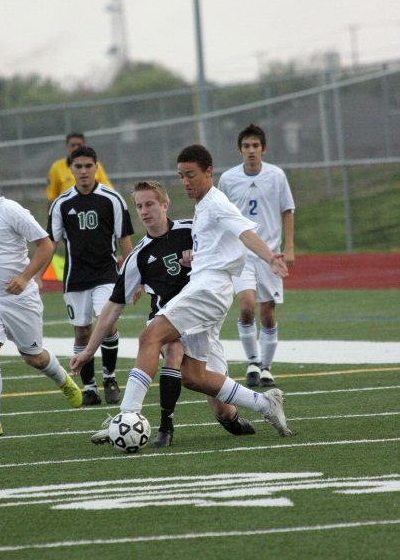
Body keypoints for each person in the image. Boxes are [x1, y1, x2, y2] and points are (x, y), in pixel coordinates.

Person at [71, 145, 293, 440]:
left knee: (150, 336)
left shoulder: (214, 203)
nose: (186, 182)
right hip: (206, 292)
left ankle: (126, 416)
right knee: (194, 377)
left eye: (191, 175)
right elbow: (114, 305)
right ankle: (265, 403)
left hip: (208, 290)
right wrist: (89, 350)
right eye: (181, 176)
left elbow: (244, 232)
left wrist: (270, 257)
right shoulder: (198, 211)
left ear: (208, 172)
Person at [0, 159, 82, 439]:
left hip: (20, 298)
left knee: (33, 357)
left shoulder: (10, 210)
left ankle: (63, 380)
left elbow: (46, 245)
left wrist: (24, 277)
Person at [45, 145, 134, 406]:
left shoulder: (112, 199)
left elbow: (125, 239)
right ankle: (90, 387)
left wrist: (132, 275)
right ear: (70, 169)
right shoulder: (61, 204)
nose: (83, 171)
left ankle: (109, 377)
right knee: (82, 333)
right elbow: (52, 243)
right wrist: (36, 275)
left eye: (88, 166)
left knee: (107, 325)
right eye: (78, 166)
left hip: (107, 274)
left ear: (97, 167)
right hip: (75, 279)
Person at [218, 123, 295, 387]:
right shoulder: (228, 179)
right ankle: (252, 361)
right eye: (246, 146)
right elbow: (221, 215)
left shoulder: (276, 176)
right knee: (247, 307)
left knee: (268, 313)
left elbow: (288, 210)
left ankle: (267, 366)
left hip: (271, 255)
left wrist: (289, 248)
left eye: (255, 146)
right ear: (240, 150)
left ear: (264, 149)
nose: (251, 151)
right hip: (241, 255)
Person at [46, 132, 113, 210]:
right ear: (67, 147)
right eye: (72, 145)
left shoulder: (96, 165)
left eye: (79, 145)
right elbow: (52, 197)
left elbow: (108, 189)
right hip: (68, 212)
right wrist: (50, 219)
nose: (76, 148)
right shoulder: (56, 167)